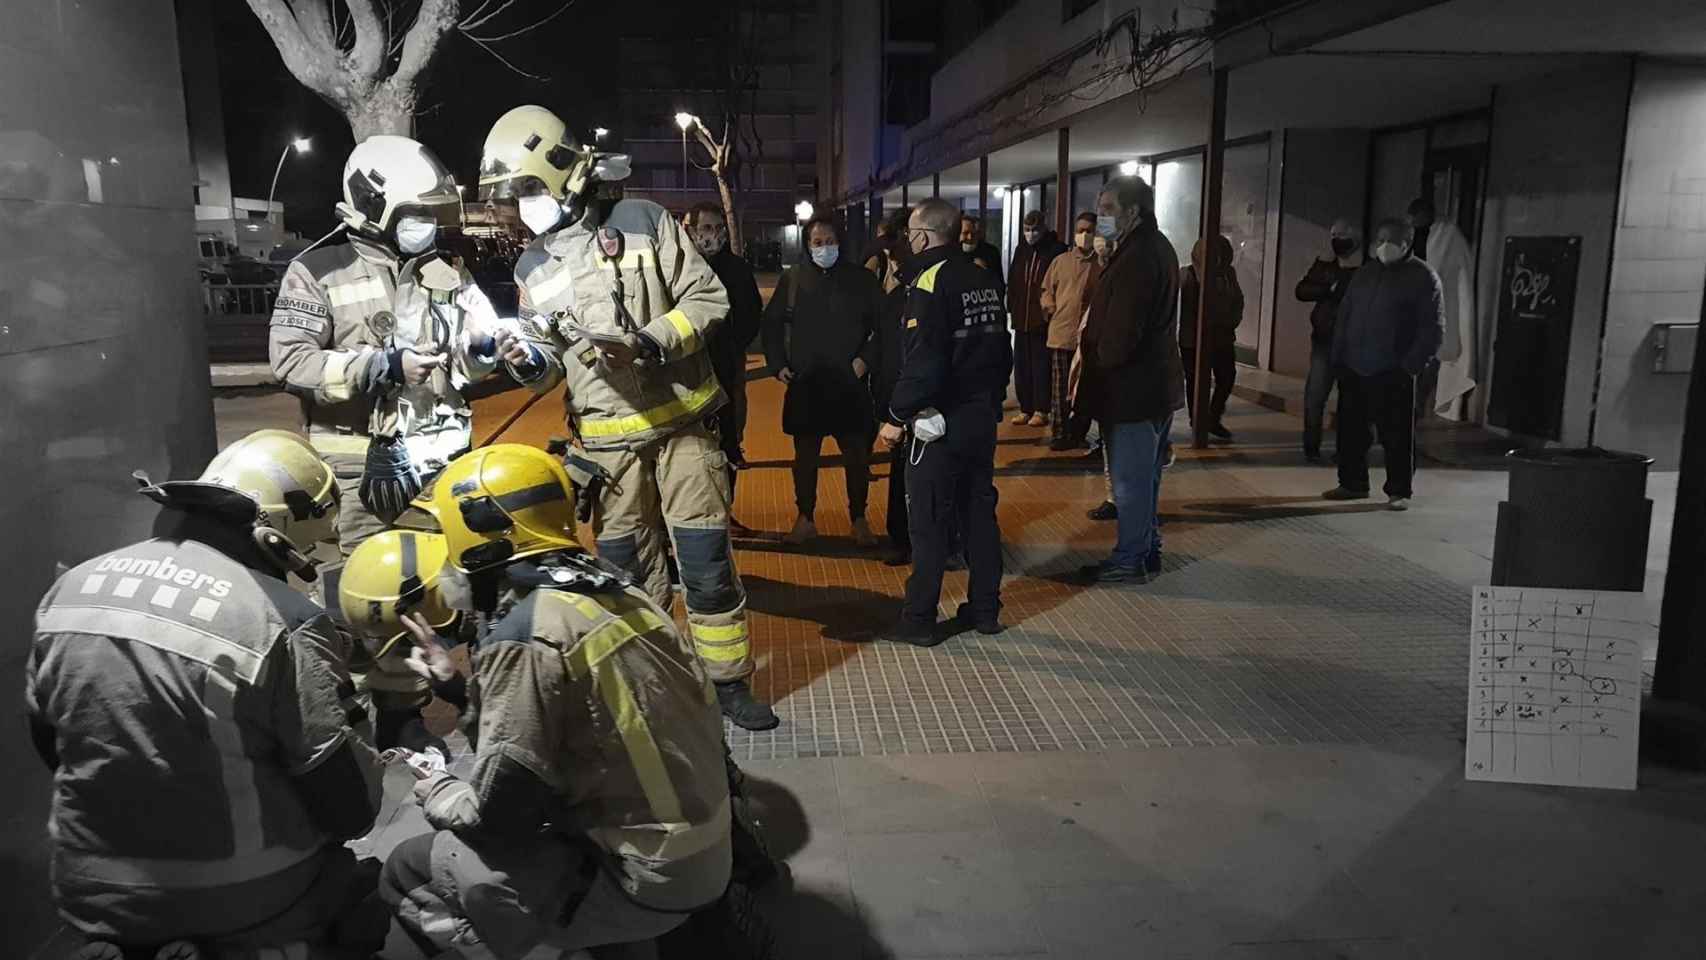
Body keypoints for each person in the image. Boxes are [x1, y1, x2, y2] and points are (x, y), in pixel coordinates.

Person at [27, 430, 384, 959]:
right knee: (366, 889)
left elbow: (49, 742)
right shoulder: (281, 619)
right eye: (302, 552)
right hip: (244, 896)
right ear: (276, 540)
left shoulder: (71, 586)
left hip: (89, 890)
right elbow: (349, 807)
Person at [370, 444, 734, 957]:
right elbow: (561, 724)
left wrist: (438, 787)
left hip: (644, 875)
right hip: (703, 853)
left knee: (409, 867)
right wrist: (456, 685)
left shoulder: (525, 633)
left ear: (479, 542)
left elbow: (498, 813)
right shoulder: (619, 591)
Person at [479, 105, 776, 730]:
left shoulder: (645, 222)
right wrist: (523, 360)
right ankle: (654, 686)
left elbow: (708, 298)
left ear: (564, 172)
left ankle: (728, 685)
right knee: (627, 582)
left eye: (529, 190)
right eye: (515, 196)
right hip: (609, 456)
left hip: (683, 435)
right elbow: (549, 368)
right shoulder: (531, 266)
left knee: (706, 566)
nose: (522, 206)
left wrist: (648, 342)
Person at [269, 134, 506, 749]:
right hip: (355, 469)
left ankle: (414, 704)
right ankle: (375, 714)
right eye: (416, 215)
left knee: (431, 589)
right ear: (375, 205)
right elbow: (291, 361)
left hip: (440, 463)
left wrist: (484, 354)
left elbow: (476, 353)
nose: (426, 227)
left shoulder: (445, 272)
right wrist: (380, 366)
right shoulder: (316, 270)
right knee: (365, 599)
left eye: (431, 216)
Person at [874, 198, 1012, 644]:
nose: (907, 240)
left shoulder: (929, 282)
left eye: (911, 232)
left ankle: (919, 620)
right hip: (981, 418)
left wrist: (896, 416)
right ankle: (986, 610)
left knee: (930, 521)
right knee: (979, 514)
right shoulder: (984, 277)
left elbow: (924, 362)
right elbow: (1001, 352)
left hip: (939, 423)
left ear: (924, 236)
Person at [1077, 176, 1183, 583]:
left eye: (1107, 210)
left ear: (1133, 211)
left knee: (1131, 483)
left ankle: (1130, 559)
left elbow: (1120, 334)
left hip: (1132, 391)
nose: (1100, 218)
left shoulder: (1139, 257)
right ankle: (1146, 549)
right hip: (1152, 387)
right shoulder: (1151, 249)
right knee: (1145, 478)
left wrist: (1097, 363)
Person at [762, 218, 883, 547]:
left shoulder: (861, 280)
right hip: (807, 384)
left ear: (840, 242)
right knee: (805, 459)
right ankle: (805, 519)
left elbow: (883, 326)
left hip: (849, 384)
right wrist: (777, 365)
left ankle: (859, 518)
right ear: (807, 245)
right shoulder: (793, 278)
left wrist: (865, 361)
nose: (824, 247)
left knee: (857, 457)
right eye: (817, 242)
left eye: (829, 240)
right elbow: (771, 326)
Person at [1323, 217, 1446, 511]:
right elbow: (1345, 316)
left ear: (1406, 243)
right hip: (1354, 366)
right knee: (1351, 432)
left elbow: (1432, 329)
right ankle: (1352, 483)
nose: (1383, 246)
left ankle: (1399, 490)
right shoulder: (1366, 273)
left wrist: (1411, 365)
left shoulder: (1423, 277)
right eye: (1379, 239)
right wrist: (1338, 356)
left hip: (1393, 369)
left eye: (1389, 240)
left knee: (1396, 434)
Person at [686, 201, 764, 520]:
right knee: (688, 447)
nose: (713, 235)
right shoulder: (678, 265)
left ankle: (724, 513)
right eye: (705, 228)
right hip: (683, 374)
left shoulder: (736, 268)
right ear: (688, 229)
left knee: (727, 442)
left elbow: (751, 313)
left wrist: (731, 344)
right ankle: (688, 514)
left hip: (725, 369)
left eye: (718, 228)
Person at [870, 207, 916, 565]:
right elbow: (883, 346)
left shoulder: (928, 288)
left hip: (921, 398)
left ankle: (928, 539)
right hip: (895, 395)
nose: (890, 252)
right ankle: (900, 537)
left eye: (895, 243)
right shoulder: (891, 293)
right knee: (900, 470)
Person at [1295, 219, 1360, 462]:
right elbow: (1301, 290)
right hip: (1324, 340)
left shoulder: (1365, 269)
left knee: (1349, 402)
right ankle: (1311, 447)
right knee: (1314, 397)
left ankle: (1345, 450)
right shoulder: (1325, 265)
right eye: (1335, 235)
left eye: (1343, 235)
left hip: (1352, 344)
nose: (1338, 240)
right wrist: (1327, 289)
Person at [1408, 196, 1477, 420]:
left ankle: (1413, 417)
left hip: (1432, 318)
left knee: (1423, 375)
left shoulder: (1447, 236)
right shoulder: (1408, 236)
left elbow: (1456, 278)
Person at [1041, 211, 1099, 450]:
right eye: (1080, 230)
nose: (1084, 235)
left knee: (1086, 390)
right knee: (1059, 390)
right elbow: (1046, 290)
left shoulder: (1102, 264)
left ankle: (1078, 431)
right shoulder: (1061, 261)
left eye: (1089, 231)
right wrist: (1050, 306)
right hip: (1061, 335)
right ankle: (1059, 433)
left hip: (1090, 339)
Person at [1178, 233, 1243, 442]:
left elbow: (1238, 301)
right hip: (1193, 340)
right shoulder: (1187, 275)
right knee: (1195, 381)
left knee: (1226, 377)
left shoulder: (1228, 274)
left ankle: (1212, 418)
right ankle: (1197, 420)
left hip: (1222, 338)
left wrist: (1230, 321)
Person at [1006, 210, 1068, 427]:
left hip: (1042, 319)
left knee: (1041, 365)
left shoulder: (1055, 250)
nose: (1030, 234)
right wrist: (1011, 307)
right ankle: (1026, 407)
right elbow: (1014, 279)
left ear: (1044, 228)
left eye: (1034, 229)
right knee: (1022, 365)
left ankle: (1042, 409)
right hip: (1021, 318)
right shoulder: (1021, 250)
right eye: (1026, 229)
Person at [959, 214, 1005, 296]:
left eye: (974, 233)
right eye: (965, 233)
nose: (970, 237)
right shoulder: (951, 252)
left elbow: (999, 284)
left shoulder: (990, 252)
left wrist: (986, 273)